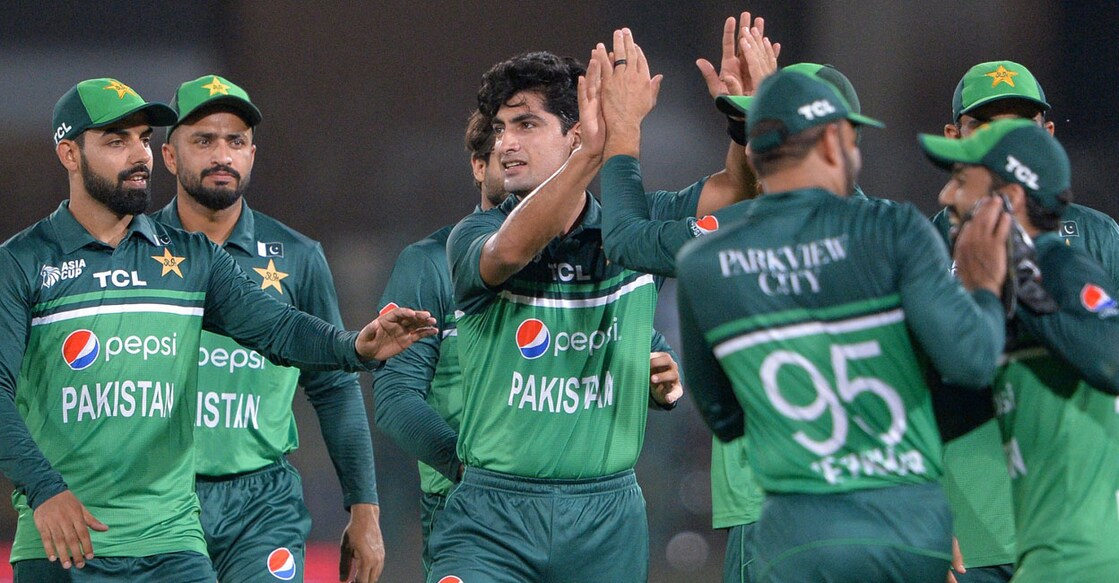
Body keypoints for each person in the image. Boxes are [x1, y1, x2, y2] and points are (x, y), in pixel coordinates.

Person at [0, 77, 435, 582]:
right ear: (69, 154)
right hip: (65, 541)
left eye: (141, 138)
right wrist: (43, 488)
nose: (137, 155)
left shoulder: (191, 258)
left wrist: (354, 345)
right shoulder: (21, 263)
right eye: (117, 141)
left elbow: (278, 328)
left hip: (175, 539)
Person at [674, 69, 1009, 582]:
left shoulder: (703, 264)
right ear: (833, 140)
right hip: (907, 532)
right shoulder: (895, 231)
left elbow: (724, 417)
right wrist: (984, 284)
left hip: (793, 541)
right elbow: (973, 359)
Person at [426, 38, 695, 582]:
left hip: (606, 519)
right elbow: (508, 251)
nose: (505, 143)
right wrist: (596, 153)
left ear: (574, 132)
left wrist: (747, 116)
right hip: (492, 517)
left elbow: (740, 188)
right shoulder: (475, 234)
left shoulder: (634, 229)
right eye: (500, 128)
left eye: (526, 124)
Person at [151, 74, 383, 583]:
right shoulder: (136, 254)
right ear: (170, 156)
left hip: (262, 505)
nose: (222, 155)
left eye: (235, 141)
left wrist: (363, 508)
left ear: (252, 154)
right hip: (156, 501)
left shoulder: (298, 257)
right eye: (204, 140)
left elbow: (334, 389)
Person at [928, 60, 1119, 583]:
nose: (1003, 139)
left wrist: (1019, 283)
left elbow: (1112, 358)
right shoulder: (922, 247)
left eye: (1020, 125)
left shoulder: (1092, 244)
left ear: (1047, 138)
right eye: (985, 125)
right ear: (956, 136)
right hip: (974, 536)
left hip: (1073, 535)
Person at [371, 110, 506, 576]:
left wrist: (661, 372)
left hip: (571, 506)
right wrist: (468, 468)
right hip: (463, 506)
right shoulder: (428, 264)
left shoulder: (579, 261)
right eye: (501, 149)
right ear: (477, 166)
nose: (516, 156)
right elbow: (393, 399)